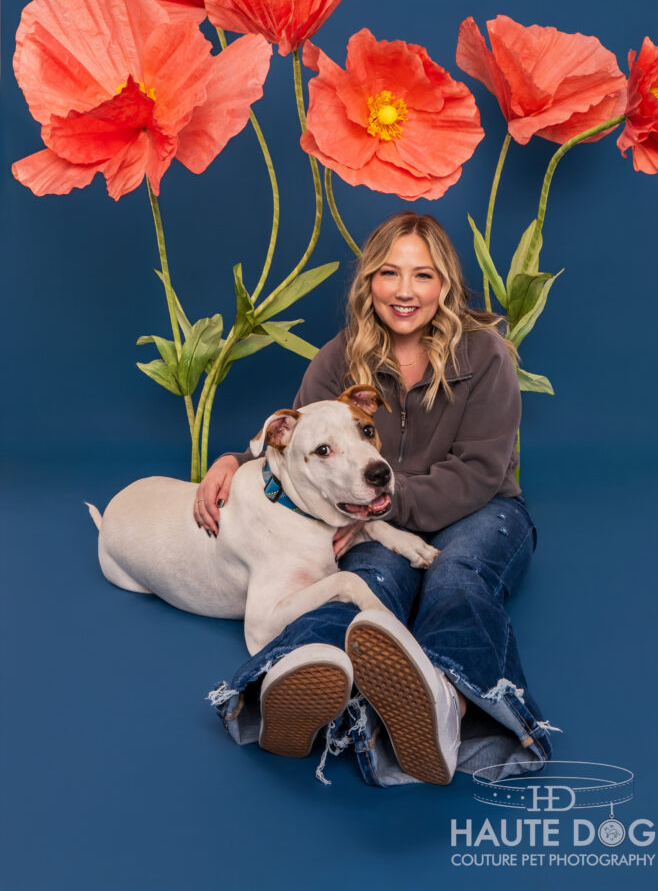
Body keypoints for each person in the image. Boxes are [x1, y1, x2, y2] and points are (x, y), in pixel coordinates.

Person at [195, 211, 554, 787]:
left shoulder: (486, 356)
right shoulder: (337, 358)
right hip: (369, 516)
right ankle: (292, 686)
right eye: (389, 273)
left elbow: (481, 471)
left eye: (423, 275)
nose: (405, 291)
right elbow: (296, 447)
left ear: (446, 285)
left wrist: (382, 507)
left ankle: (451, 709)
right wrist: (234, 461)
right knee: (367, 585)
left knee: (458, 578)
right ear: (369, 284)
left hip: (480, 508)